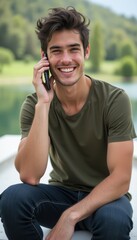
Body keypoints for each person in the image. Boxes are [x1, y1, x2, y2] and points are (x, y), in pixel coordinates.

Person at [0, 6, 136, 240]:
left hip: (106, 199)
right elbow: (31, 176)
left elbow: (121, 178)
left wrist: (70, 216)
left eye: (73, 49)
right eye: (56, 51)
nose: (65, 59)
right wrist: (43, 104)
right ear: (45, 57)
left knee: (114, 221)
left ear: (86, 51)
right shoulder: (34, 104)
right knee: (12, 199)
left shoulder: (114, 99)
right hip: (60, 195)